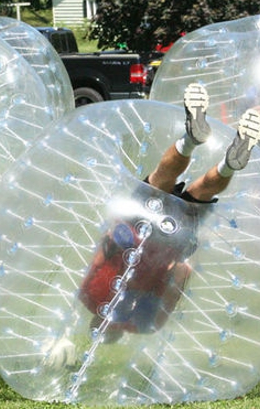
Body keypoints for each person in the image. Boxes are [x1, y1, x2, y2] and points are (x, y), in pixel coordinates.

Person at [79, 83, 260, 343]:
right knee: (160, 179)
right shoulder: (90, 298)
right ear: (96, 320)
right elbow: (102, 253)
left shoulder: (146, 323)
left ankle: (229, 165)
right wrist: (114, 228)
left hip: (169, 246)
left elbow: (179, 276)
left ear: (117, 332)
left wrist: (184, 259)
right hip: (130, 232)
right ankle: (190, 140)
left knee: (201, 193)